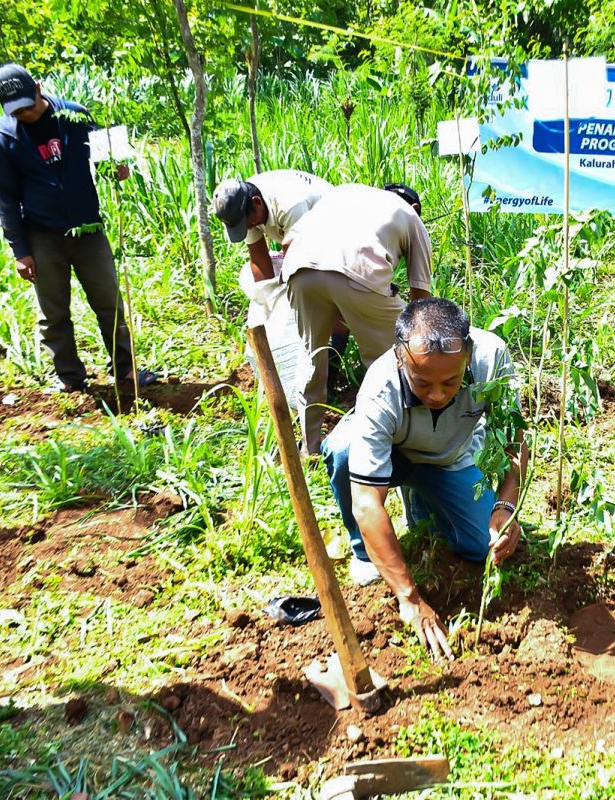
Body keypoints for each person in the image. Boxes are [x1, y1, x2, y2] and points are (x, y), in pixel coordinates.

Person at [322, 298, 527, 661]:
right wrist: (410, 598)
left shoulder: (491, 357)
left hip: (450, 459)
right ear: (400, 359)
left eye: (450, 382)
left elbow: (515, 442)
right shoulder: (381, 386)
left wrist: (506, 505)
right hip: (395, 457)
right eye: (421, 382)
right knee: (342, 449)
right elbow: (367, 502)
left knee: (486, 547)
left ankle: (423, 502)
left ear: (468, 356)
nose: (436, 394)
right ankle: (364, 552)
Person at [0, 63, 155, 393]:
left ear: (37, 87)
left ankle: (125, 369)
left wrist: (116, 169)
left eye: (28, 104)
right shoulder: (4, 138)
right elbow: (4, 199)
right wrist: (20, 251)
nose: (25, 114)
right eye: (16, 110)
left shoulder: (75, 116)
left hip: (88, 228)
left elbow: (105, 159)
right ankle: (68, 377)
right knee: (53, 313)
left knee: (109, 302)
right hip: (42, 235)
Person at [276, 182, 433, 455]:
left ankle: (309, 448)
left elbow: (288, 242)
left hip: (298, 270)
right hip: (359, 274)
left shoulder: (344, 193)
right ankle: (388, 443)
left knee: (312, 357)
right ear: (416, 208)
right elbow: (421, 298)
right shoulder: (410, 216)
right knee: (391, 361)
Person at [213, 170, 333, 404]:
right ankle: (316, 365)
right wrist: (268, 304)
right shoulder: (245, 207)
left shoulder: (290, 204)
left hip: (332, 235)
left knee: (325, 303)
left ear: (257, 204)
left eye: (248, 223)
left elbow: (300, 263)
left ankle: (330, 366)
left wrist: (291, 305)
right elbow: (259, 259)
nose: (249, 227)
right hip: (299, 242)